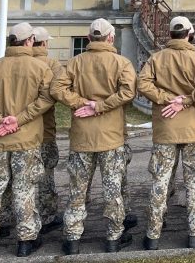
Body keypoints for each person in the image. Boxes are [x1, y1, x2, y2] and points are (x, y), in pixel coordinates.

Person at [51, 18, 137, 255]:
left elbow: (57, 89)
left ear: (89, 38)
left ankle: (72, 238)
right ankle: (113, 237)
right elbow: (128, 92)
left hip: (82, 137)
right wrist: (99, 106)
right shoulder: (122, 62)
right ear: (111, 38)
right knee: (113, 190)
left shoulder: (74, 62)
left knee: (77, 191)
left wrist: (83, 103)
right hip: (111, 137)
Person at [138, 15, 195, 250]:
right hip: (193, 129)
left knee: (160, 181)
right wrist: (186, 100)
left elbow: (142, 85)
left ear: (170, 34)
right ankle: (194, 233)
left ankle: (153, 234)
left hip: (165, 129)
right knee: (193, 182)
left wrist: (167, 99)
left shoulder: (156, 59)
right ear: (190, 35)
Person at [0, 22, 54, 258]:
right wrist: (18, 119)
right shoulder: (41, 68)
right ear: (30, 40)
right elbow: (47, 99)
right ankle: (25, 241)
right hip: (27, 140)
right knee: (25, 189)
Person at [31, 27, 64, 235]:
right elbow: (58, 92)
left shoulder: (6, 62)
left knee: (15, 178)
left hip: (15, 131)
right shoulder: (51, 64)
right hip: (44, 130)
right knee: (46, 175)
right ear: (44, 43)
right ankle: (47, 216)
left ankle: (6, 219)